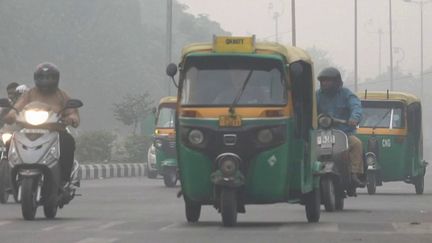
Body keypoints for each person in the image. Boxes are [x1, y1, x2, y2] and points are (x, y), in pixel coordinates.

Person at [4, 62, 80, 184]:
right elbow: (17, 107)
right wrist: (11, 115)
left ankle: (64, 179)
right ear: (36, 78)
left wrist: (71, 118)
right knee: (9, 142)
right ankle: (10, 177)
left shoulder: (62, 95)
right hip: (29, 130)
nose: (46, 81)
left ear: (56, 78)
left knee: (68, 142)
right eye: (42, 77)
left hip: (55, 130)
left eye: (50, 77)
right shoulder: (29, 94)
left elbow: (72, 112)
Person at [316, 67, 365, 188]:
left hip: (343, 135)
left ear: (337, 82)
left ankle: (354, 174)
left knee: (357, 143)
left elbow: (356, 106)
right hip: (320, 134)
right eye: (323, 81)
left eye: (328, 80)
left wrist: (354, 118)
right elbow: (307, 108)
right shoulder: (316, 95)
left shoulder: (347, 94)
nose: (325, 83)